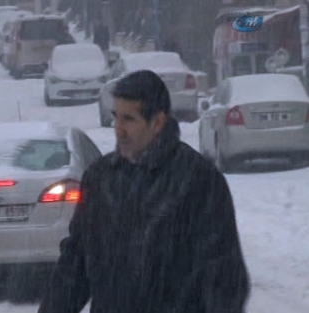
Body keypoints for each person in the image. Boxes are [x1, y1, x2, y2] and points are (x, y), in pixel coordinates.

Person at [38, 70, 250, 313]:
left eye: (129, 119)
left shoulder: (197, 181)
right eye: (116, 117)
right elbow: (74, 267)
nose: (118, 129)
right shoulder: (101, 178)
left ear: (157, 122)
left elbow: (226, 279)